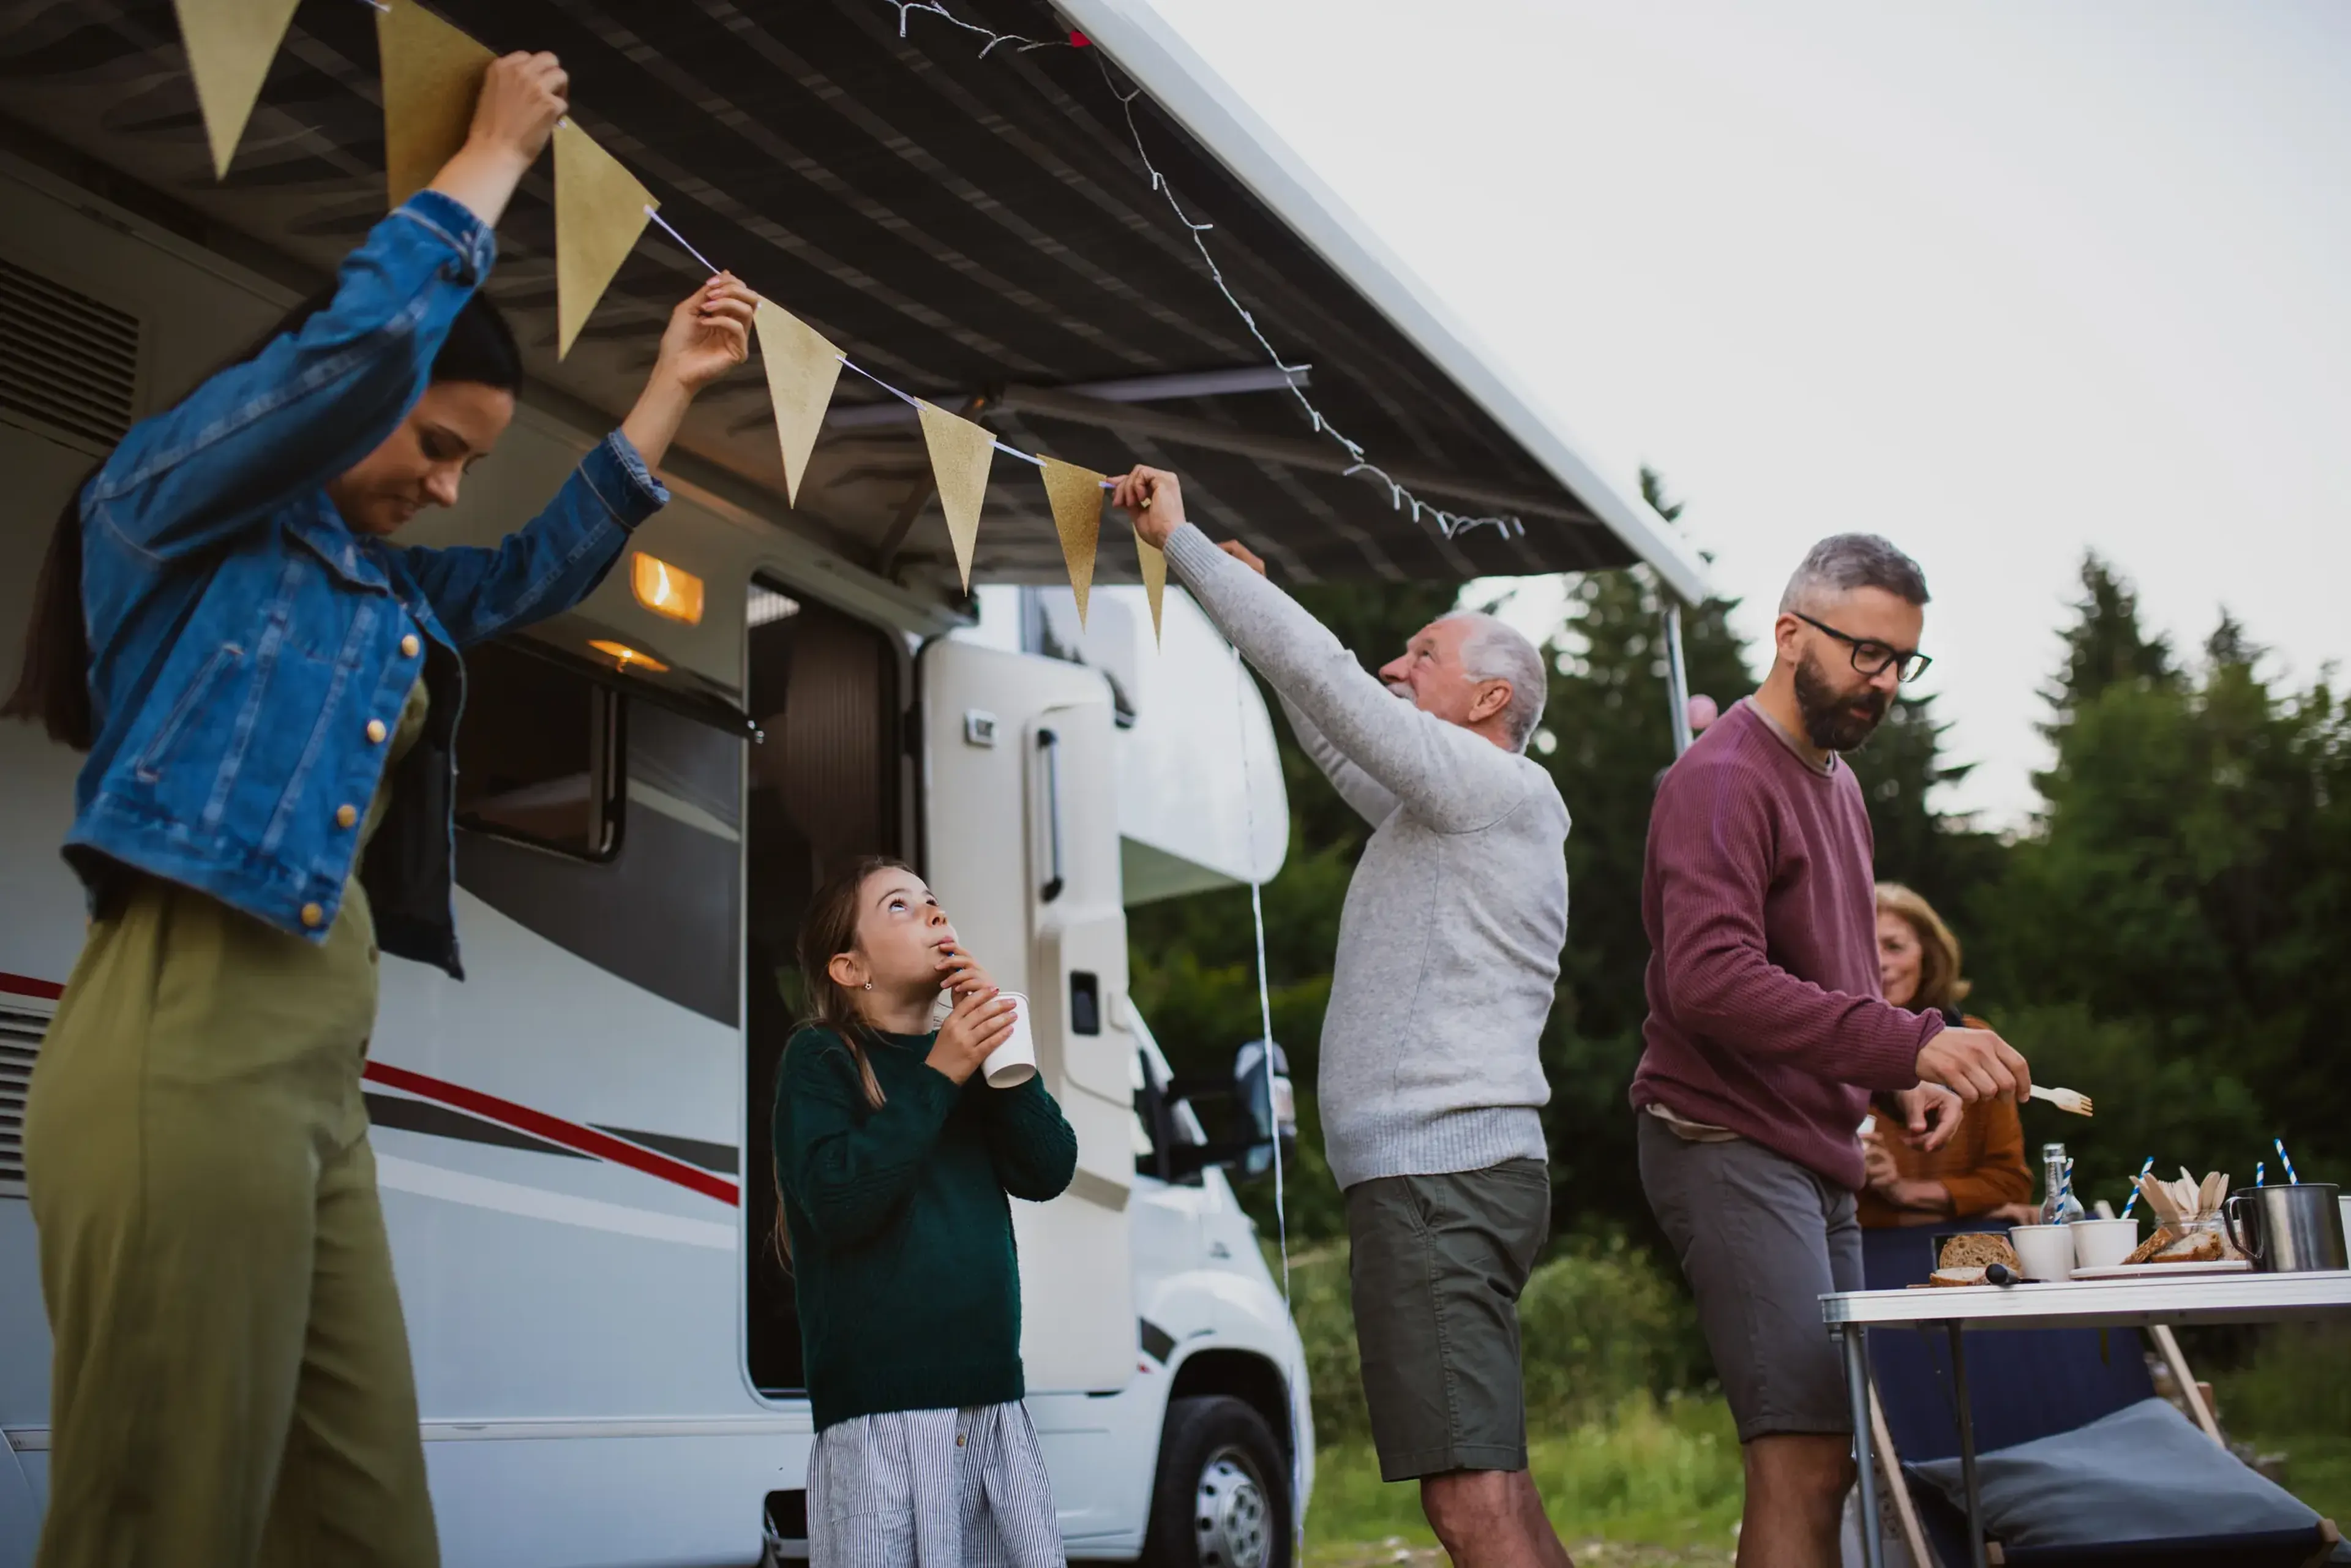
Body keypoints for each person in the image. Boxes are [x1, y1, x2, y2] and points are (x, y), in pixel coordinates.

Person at [4, 51, 759, 1567]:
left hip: (312, 1077)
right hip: (185, 1042)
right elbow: (351, 357)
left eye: (468, 462)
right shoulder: (172, 507)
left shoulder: (379, 592)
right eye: (435, 445)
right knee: (163, 1520)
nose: (447, 487)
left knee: (364, 1522)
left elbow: (531, 573)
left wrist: (668, 385)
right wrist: (489, 160)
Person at [1114, 467, 1578, 1568]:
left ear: (1489, 701)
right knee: (1494, 1487)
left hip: (1437, 1182)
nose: (1394, 665)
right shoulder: (1454, 808)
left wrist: (1181, 545)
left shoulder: (1491, 788)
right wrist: (1236, 600)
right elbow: (1335, 725)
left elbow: (1335, 685)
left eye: (1422, 656)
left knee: (1466, 1504)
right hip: (1453, 1177)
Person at [1629, 534, 2033, 1567]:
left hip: (1822, 1150)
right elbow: (1710, 983)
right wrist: (1911, 1041)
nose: (1886, 681)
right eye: (1867, 653)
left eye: (1903, 661)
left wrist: (1897, 1084)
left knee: (1835, 1453)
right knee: (1801, 1457)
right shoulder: (1719, 779)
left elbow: (1839, 976)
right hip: (1725, 1138)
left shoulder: (1839, 782)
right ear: (1789, 633)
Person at [772, 857, 1079, 1568]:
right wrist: (940, 1072)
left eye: (934, 900)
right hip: (882, 1411)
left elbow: (1048, 1168)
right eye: (900, 906)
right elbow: (839, 1202)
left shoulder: (970, 1062)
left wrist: (1003, 1060)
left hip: (990, 1398)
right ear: (851, 968)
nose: (935, 912)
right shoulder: (823, 1057)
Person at [1860, 883, 2036, 1229]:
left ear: (1927, 959)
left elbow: (2010, 1183)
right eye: (1865, 946)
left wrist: (1905, 1193)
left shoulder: (1975, 1043)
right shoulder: (1826, 1050)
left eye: (1895, 946)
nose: (1880, 962)